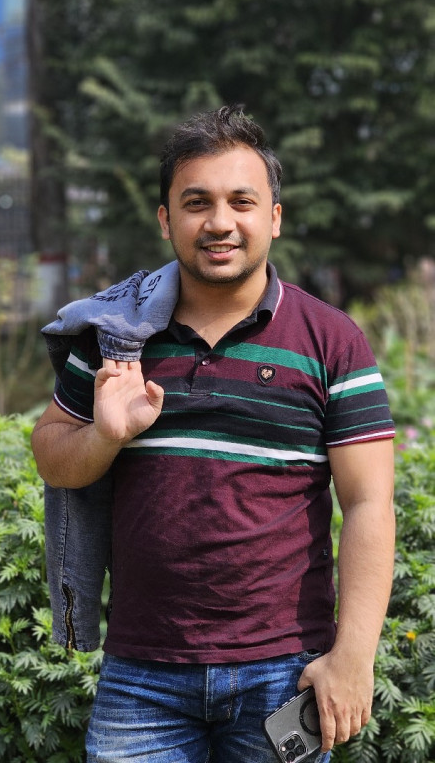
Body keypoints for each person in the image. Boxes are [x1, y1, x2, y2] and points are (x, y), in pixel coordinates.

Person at [32, 105, 395, 763]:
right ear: (165, 219)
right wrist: (104, 437)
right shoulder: (115, 336)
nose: (219, 222)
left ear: (273, 218)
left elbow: (369, 503)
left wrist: (353, 658)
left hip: (283, 671)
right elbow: (55, 461)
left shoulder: (331, 340)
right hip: (142, 675)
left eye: (241, 202)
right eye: (196, 202)